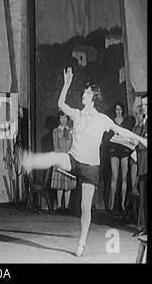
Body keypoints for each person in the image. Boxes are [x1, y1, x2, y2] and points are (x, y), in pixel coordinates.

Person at [22, 67, 147, 257]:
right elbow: (61, 104)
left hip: (90, 168)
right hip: (73, 159)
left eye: (87, 92)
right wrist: (66, 85)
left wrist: (142, 140)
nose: (83, 94)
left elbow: (122, 132)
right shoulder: (77, 114)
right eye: (84, 91)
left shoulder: (102, 119)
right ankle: (30, 161)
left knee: (84, 208)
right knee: (57, 156)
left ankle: (82, 242)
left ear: (94, 98)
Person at [107, 102, 132, 212]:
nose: (118, 111)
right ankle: (112, 203)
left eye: (120, 109)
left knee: (124, 178)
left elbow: (130, 136)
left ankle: (122, 204)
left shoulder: (127, 122)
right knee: (114, 176)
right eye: (116, 109)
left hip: (125, 150)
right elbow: (107, 137)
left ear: (123, 110)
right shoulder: (111, 122)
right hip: (114, 150)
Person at [50, 110, 76, 212]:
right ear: (59, 119)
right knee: (60, 185)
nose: (63, 120)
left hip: (69, 159)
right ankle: (59, 205)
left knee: (68, 184)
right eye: (61, 118)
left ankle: (67, 206)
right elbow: (55, 146)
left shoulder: (71, 131)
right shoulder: (56, 131)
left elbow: (73, 145)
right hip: (60, 158)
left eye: (65, 117)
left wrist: (69, 156)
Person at [133, 94, 147, 237]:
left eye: (146, 105)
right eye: (142, 105)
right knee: (143, 198)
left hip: (145, 163)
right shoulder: (142, 123)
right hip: (142, 164)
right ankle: (143, 227)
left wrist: (138, 142)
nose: (144, 107)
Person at [129, 105, 144, 196]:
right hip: (135, 155)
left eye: (140, 114)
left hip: (142, 155)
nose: (138, 116)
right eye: (137, 114)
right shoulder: (135, 128)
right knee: (133, 178)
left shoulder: (144, 127)